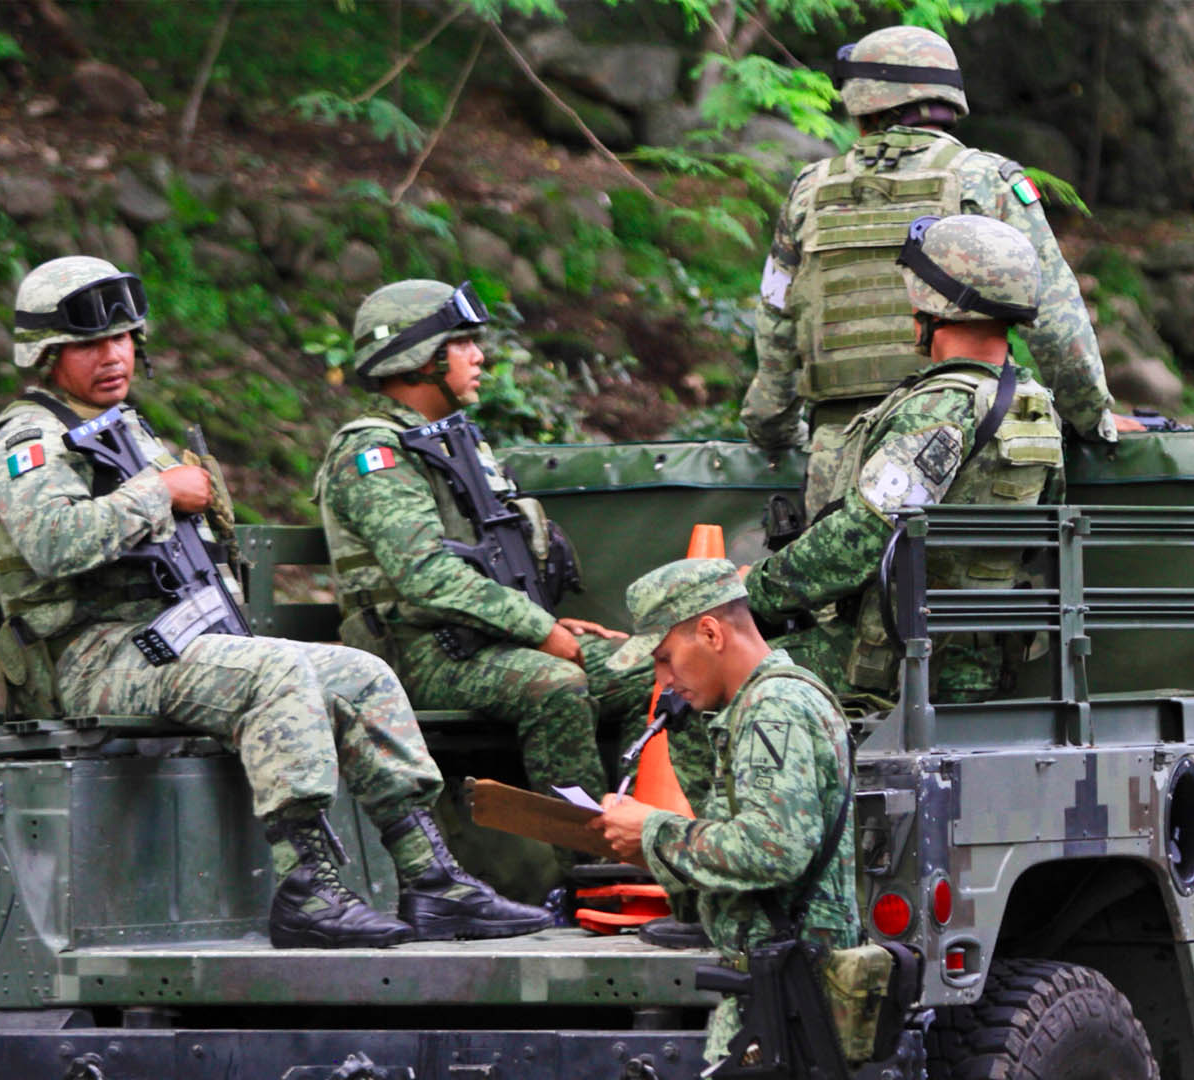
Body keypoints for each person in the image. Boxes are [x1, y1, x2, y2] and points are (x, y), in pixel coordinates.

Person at [0, 256, 548, 948]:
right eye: (92, 345)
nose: (114, 355)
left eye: (125, 339)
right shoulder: (27, 440)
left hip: (166, 640)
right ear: (46, 356)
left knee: (360, 674)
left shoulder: (127, 429)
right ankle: (308, 887)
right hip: (88, 653)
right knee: (275, 674)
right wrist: (163, 492)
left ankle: (434, 880)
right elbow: (53, 542)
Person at [315, 280, 696, 827]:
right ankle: (584, 856)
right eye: (461, 343)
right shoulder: (375, 453)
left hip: (479, 641)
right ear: (417, 359)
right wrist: (540, 632)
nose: (478, 356)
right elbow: (427, 576)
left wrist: (542, 624)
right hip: (415, 651)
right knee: (556, 686)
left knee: (664, 667)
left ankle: (657, 832)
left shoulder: (446, 440)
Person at [740, 23, 1140, 510]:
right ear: (949, 100)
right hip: (961, 441)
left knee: (847, 580)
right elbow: (1056, 319)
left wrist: (775, 428)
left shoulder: (809, 190)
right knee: (965, 583)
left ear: (861, 102)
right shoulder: (986, 179)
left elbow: (777, 319)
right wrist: (1091, 418)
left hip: (838, 453)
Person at [742, 214, 1060, 702]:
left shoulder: (940, 408)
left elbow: (861, 538)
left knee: (702, 671)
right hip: (978, 665)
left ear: (934, 306)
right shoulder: (1037, 408)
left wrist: (756, 591)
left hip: (892, 662)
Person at [595, 558, 858, 1064]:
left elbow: (773, 849)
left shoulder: (773, 708)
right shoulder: (756, 705)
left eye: (666, 658)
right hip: (775, 990)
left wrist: (652, 831)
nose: (664, 680)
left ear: (711, 632)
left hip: (790, 994)